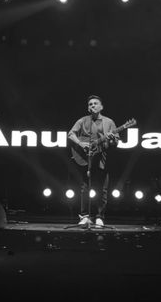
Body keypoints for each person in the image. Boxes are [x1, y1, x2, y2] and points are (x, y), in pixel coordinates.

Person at [68, 95, 119, 227]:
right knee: (85, 188)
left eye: (95, 103)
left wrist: (112, 139)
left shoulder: (109, 122)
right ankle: (85, 216)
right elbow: (71, 134)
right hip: (86, 159)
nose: (93, 106)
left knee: (102, 189)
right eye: (90, 104)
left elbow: (116, 142)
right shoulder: (83, 120)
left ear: (101, 107)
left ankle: (99, 216)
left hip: (102, 160)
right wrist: (81, 143)